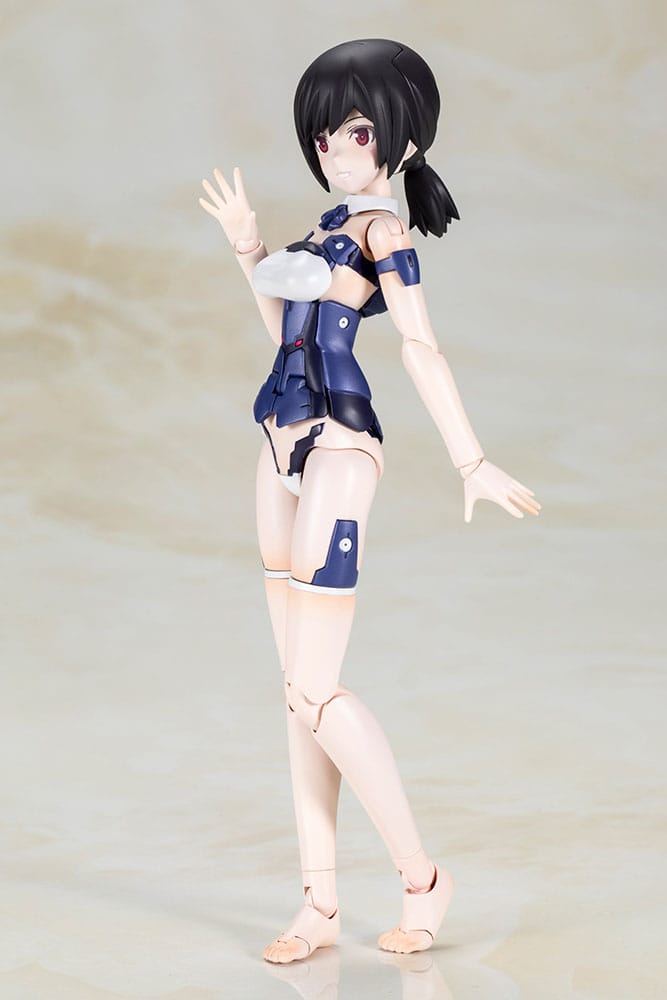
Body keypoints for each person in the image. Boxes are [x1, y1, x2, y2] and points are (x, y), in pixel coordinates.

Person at [199, 38, 540, 965]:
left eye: (352, 131)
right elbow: (286, 331)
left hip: (340, 446)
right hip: (275, 437)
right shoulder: (320, 234)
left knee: (317, 687)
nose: (333, 149)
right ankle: (318, 903)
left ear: (398, 137)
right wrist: (249, 249)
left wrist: (470, 458)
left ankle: (421, 877)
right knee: (294, 695)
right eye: (323, 134)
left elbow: (419, 346)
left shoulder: (385, 234)